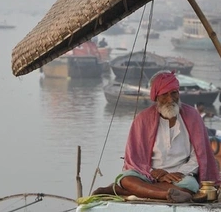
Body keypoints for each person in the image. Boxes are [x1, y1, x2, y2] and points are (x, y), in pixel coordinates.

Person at [93, 70, 220, 203]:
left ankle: (125, 191)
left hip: (180, 176)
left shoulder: (192, 116)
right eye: (165, 94)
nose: (170, 99)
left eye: (174, 93)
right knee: (127, 179)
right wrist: (153, 172)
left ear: (178, 93)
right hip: (147, 174)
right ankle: (165, 195)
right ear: (156, 97)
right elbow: (134, 159)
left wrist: (180, 172)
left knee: (191, 186)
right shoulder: (142, 119)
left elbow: (199, 155)